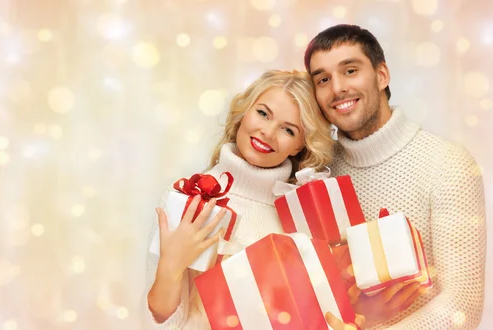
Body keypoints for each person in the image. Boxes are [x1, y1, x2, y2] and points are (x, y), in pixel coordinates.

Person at [143, 70, 360, 329]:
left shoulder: (302, 216)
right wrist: (171, 265)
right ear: (244, 112)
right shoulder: (188, 198)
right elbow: (161, 321)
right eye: (263, 113)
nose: (267, 132)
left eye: (288, 130)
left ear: (300, 146)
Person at [303, 24, 487, 329]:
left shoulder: (447, 164)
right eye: (323, 79)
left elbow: (462, 304)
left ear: (381, 75)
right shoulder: (317, 170)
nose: (337, 88)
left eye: (350, 70)